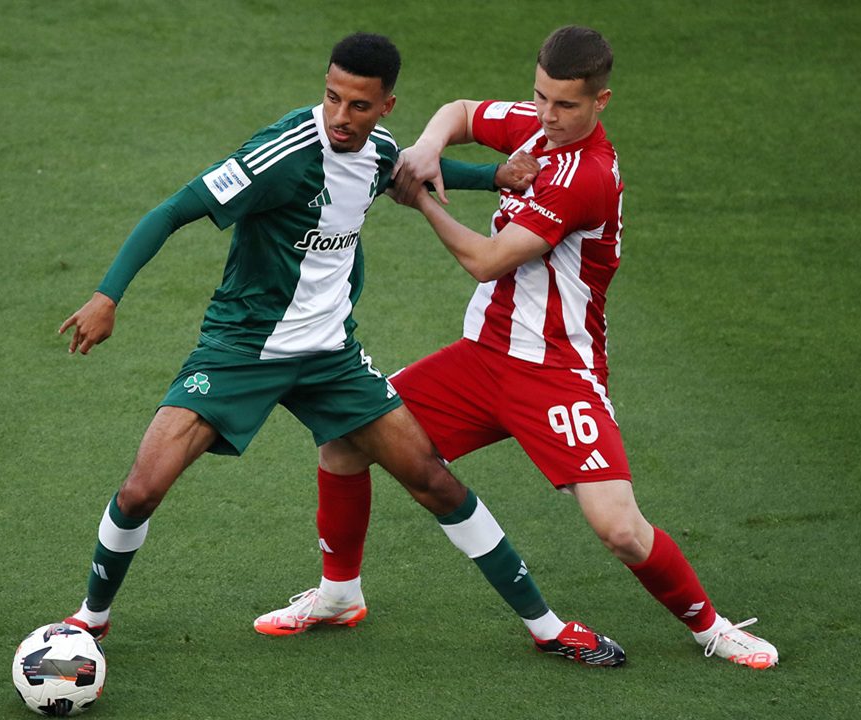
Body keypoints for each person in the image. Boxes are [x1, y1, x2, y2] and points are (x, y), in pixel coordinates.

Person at [56, 32, 624, 667]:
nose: (340, 117)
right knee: (142, 489)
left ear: (386, 106)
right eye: (331, 98)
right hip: (242, 350)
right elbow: (171, 211)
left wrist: (493, 175)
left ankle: (547, 627)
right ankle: (90, 618)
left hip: (331, 358)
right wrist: (107, 296)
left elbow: (401, 171)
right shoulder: (279, 155)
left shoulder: (376, 150)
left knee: (433, 480)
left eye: (358, 105)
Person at [255, 26, 779, 670]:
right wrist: (426, 148)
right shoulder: (536, 125)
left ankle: (712, 628)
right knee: (344, 439)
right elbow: (461, 112)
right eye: (540, 97)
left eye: (565, 105)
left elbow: (487, 260)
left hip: (557, 372)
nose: (548, 116)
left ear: (601, 101)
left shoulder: (587, 176)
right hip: (479, 359)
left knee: (620, 529)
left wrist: (420, 197)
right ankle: (339, 594)